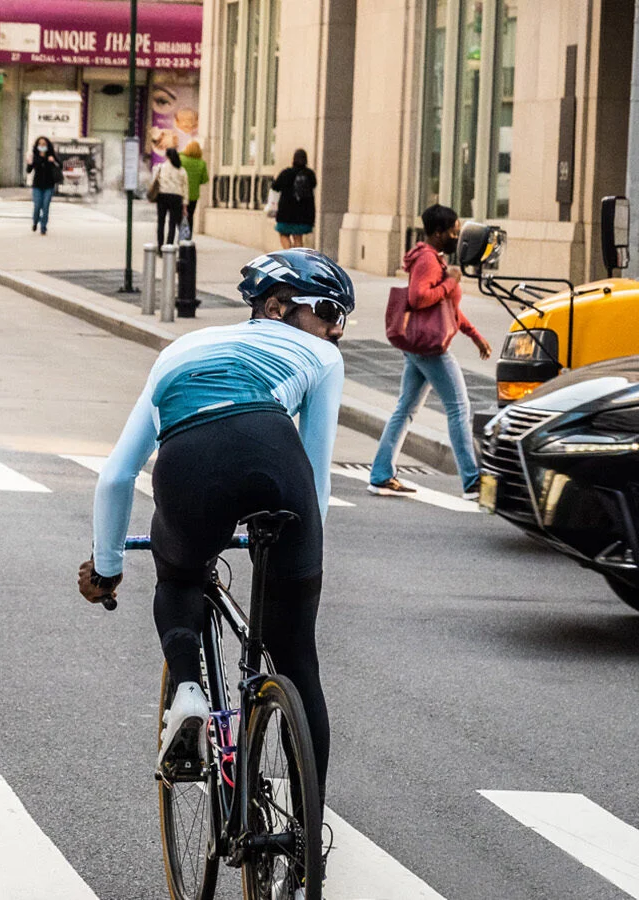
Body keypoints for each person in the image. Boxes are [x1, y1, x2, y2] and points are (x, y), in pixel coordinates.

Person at [77, 248, 352, 814]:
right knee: (297, 659)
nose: (336, 329)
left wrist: (107, 568)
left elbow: (116, 476)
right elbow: (317, 481)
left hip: (189, 466)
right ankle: (307, 840)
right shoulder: (319, 356)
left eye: (343, 317)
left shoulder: (180, 350)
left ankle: (186, 692)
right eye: (328, 310)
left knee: (177, 574)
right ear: (275, 307)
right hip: (276, 458)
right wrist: (295, 557)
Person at [369, 204, 492, 500]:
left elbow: (448, 311)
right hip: (430, 349)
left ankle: (381, 475)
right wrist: (450, 282)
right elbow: (418, 298)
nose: (457, 235)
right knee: (459, 408)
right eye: (453, 231)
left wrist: (476, 337)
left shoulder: (432, 258)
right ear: (438, 233)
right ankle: (472, 481)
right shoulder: (426, 259)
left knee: (406, 408)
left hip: (419, 347)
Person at [271, 149, 317, 250]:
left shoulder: (286, 173)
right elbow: (314, 185)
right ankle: (297, 256)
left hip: (286, 213)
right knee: (298, 237)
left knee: (283, 234)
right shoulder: (310, 174)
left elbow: (275, 187)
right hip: (304, 213)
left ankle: (288, 252)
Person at [151, 147, 188, 245]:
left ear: (166, 156)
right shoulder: (181, 170)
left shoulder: (160, 167)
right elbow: (185, 188)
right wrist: (185, 205)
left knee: (161, 222)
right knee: (172, 223)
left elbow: (154, 180)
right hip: (176, 197)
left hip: (163, 196)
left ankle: (160, 246)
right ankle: (169, 245)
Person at [26, 137, 62, 235]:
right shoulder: (35, 156)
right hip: (37, 186)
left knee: (46, 206)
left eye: (44, 144)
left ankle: (43, 227)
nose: (42, 146)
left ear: (47, 145)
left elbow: (60, 166)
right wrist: (29, 163)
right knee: (37, 205)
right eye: (40, 144)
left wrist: (53, 161)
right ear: (37, 146)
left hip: (49, 185)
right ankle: (35, 221)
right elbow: (29, 170)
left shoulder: (51, 156)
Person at [179, 141, 209, 231]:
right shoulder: (201, 163)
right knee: (190, 216)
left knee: (180, 215)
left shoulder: (181, 159)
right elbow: (204, 180)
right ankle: (188, 238)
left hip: (181, 193)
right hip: (193, 195)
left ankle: (181, 235)